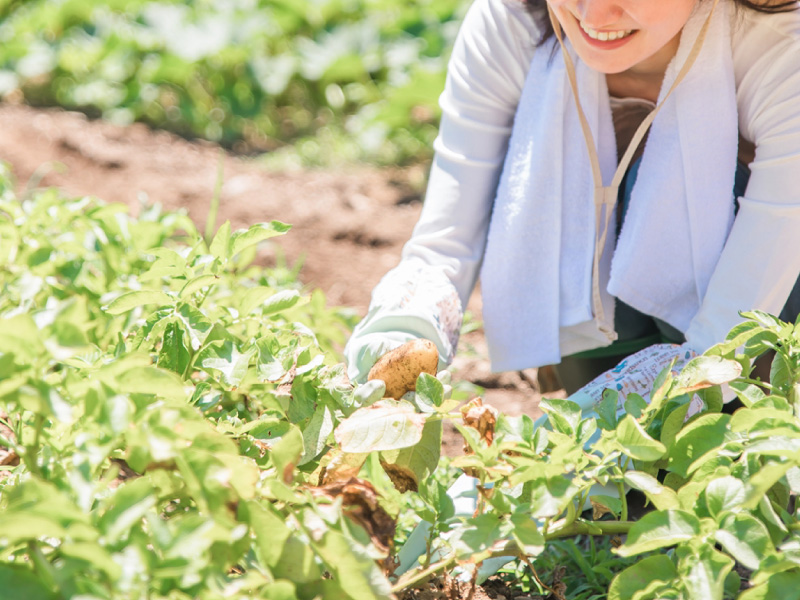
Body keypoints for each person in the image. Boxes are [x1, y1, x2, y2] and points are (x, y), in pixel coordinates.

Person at [344, 0, 800, 408]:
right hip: (605, 329)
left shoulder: (783, 52)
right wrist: (401, 339)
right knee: (610, 489)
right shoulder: (513, 22)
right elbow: (445, 245)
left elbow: (726, 338)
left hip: (761, 314)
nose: (595, 14)